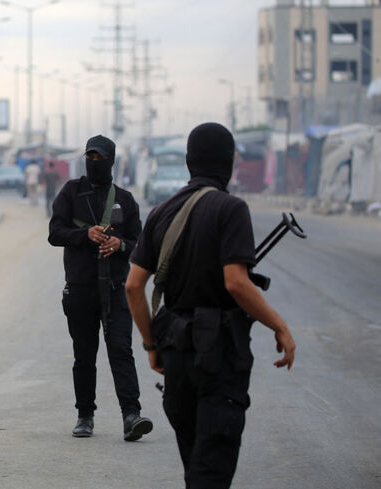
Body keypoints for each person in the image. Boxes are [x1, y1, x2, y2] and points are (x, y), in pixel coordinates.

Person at [125, 122, 297, 488]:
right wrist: (279, 325)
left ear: (189, 161)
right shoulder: (230, 209)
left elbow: (133, 286)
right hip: (218, 358)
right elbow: (236, 282)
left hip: (176, 355)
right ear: (230, 163)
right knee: (211, 472)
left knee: (196, 468)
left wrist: (152, 345)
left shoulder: (161, 211)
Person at [48, 135, 153, 441]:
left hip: (117, 289)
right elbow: (55, 233)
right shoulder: (71, 192)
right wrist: (86, 235)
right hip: (80, 289)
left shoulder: (125, 199)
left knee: (121, 351)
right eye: (90, 157)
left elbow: (140, 242)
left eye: (100, 158)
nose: (94, 163)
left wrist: (120, 245)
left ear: (111, 161)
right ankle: (85, 415)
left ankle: (131, 415)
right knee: (84, 355)